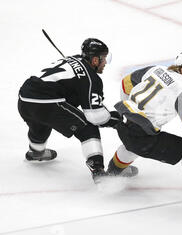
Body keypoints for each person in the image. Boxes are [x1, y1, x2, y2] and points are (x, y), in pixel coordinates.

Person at [107, 51, 182, 188]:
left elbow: (126, 83)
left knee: (131, 146)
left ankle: (112, 172)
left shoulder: (156, 69)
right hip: (142, 134)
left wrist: (130, 110)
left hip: (123, 122)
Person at [18, 38, 122, 182]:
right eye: (103, 58)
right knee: (87, 128)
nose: (105, 63)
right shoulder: (92, 79)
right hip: (46, 102)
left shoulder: (74, 58)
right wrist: (114, 119)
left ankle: (36, 152)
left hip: (25, 97)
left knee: (40, 123)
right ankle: (98, 171)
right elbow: (95, 117)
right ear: (95, 60)